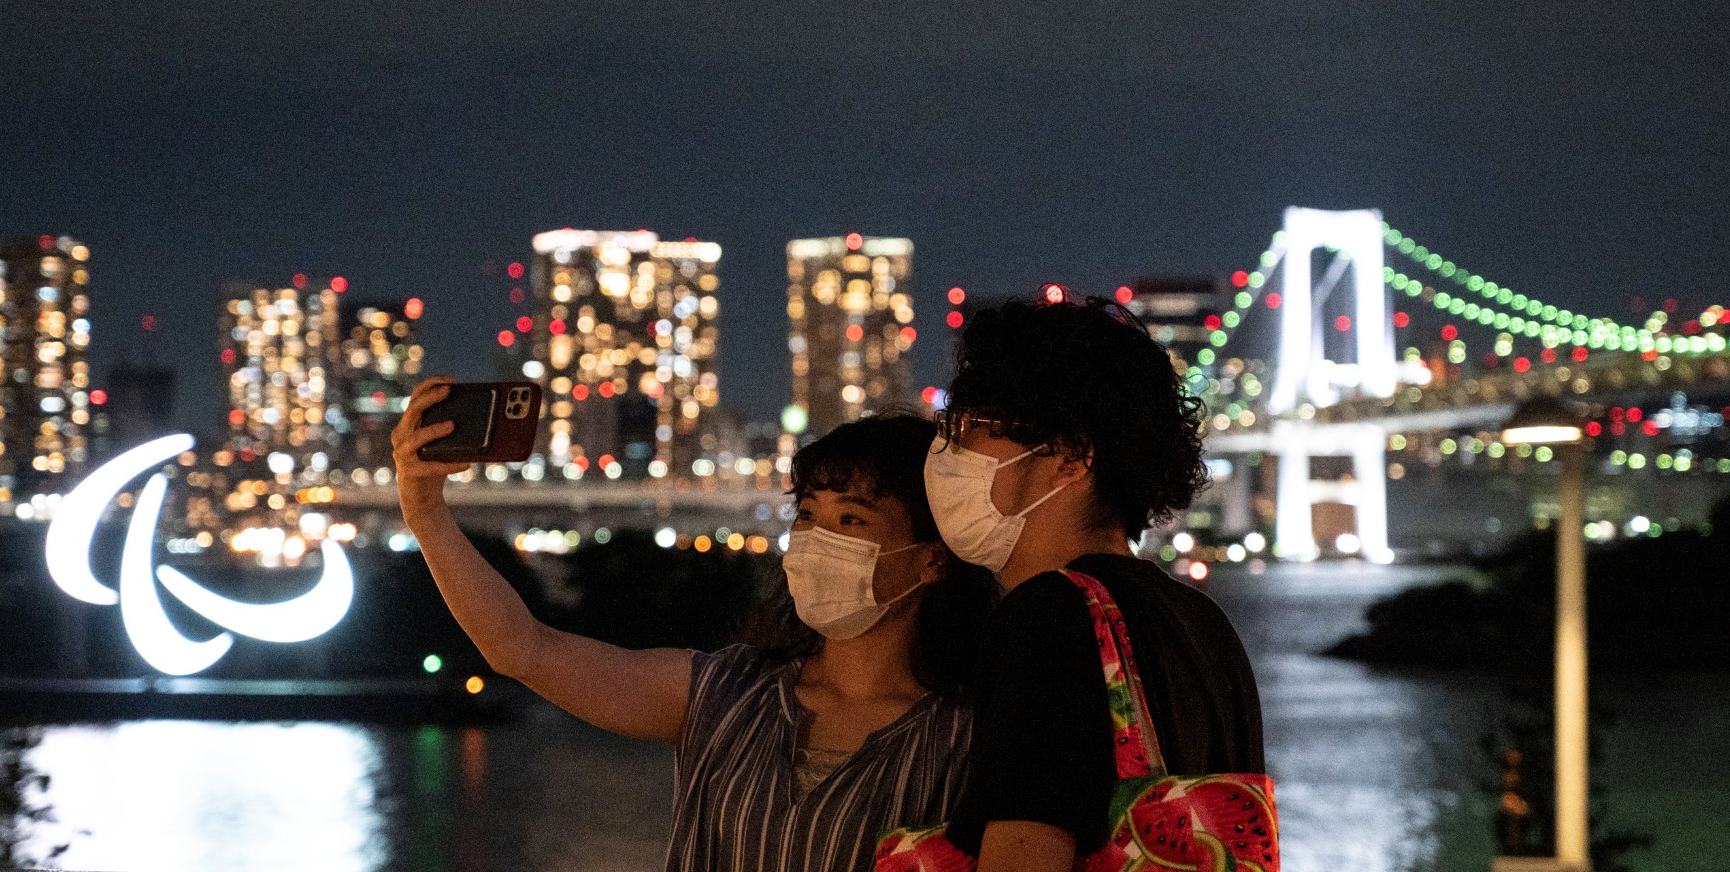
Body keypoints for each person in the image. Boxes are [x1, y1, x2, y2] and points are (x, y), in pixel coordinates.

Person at [393, 383, 995, 872]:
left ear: (933, 558)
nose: (816, 539)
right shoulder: (726, 696)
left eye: (851, 520)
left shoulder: (969, 738)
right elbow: (523, 648)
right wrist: (425, 512)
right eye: (808, 515)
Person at [923, 296, 1265, 871]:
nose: (947, 451)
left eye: (972, 428)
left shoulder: (1047, 617)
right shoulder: (1203, 622)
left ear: (1071, 457)